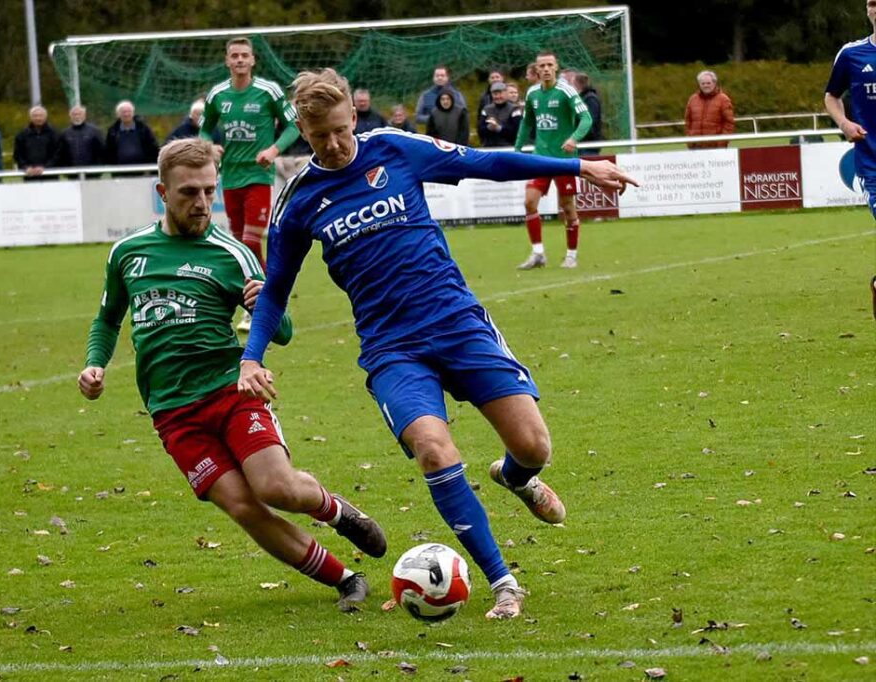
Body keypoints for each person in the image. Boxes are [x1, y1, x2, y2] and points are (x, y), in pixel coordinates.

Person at [237, 68, 636, 620]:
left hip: (457, 323)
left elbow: (488, 163)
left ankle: (515, 477)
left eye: (338, 129)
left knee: (534, 447)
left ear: (353, 115)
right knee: (433, 450)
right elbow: (275, 290)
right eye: (317, 135)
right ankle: (503, 583)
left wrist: (579, 165)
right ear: (301, 131)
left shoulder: (398, 149)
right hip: (391, 350)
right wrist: (252, 356)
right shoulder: (300, 201)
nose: (331, 144)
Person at [78, 137, 387, 611]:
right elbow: (107, 318)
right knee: (244, 506)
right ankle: (346, 579)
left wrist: (262, 303)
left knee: (275, 488)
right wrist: (95, 363)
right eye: (188, 193)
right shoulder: (128, 253)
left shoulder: (232, 253)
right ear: (163, 193)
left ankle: (337, 511)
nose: (201, 203)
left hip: (230, 390)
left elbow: (281, 329)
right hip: (172, 413)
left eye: (208, 191)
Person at [199, 37, 300, 332]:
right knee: (242, 247)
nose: (240, 60)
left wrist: (273, 151)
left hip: (259, 177)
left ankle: (266, 303)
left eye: (245, 55)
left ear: (253, 60)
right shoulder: (218, 95)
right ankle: (262, 302)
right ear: (227, 61)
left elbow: (294, 125)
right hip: (230, 178)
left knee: (251, 242)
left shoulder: (268, 92)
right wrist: (209, 147)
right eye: (235, 56)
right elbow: (204, 129)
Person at [514, 52, 593, 270]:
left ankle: (571, 255)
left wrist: (573, 138)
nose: (546, 69)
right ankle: (538, 253)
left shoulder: (566, 91)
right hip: (540, 157)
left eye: (550, 65)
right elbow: (527, 123)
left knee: (567, 207)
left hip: (564, 160)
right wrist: (518, 149)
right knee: (529, 202)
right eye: (542, 66)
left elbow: (586, 118)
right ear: (537, 70)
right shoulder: (532, 94)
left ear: (556, 67)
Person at [825, 0, 876, 219]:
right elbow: (831, 96)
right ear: (868, 11)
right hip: (871, 163)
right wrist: (844, 123)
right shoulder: (851, 54)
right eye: (872, 4)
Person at [684, 70, 735, 149]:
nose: (705, 85)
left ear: (714, 83)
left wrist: (722, 143)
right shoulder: (692, 99)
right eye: (703, 83)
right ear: (699, 84)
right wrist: (690, 140)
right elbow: (688, 121)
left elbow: (729, 124)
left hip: (716, 147)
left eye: (708, 83)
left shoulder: (724, 99)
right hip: (696, 147)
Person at [105, 100, 159, 165]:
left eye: (129, 111)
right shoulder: (112, 131)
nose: (126, 114)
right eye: (123, 112)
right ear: (118, 114)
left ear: (133, 113)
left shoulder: (144, 129)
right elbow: (108, 151)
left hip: (142, 169)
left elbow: (153, 147)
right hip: (119, 170)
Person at [13, 105, 59, 178]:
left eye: (41, 116)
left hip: (50, 175)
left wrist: (45, 167)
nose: (38, 118)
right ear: (30, 117)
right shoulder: (22, 135)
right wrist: (26, 167)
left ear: (45, 117)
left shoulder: (54, 134)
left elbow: (58, 154)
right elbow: (18, 155)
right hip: (29, 175)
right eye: (35, 116)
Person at [478, 81, 521, 148]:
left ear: (506, 93)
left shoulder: (514, 109)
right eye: (495, 94)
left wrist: (499, 128)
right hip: (489, 147)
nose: (498, 97)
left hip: (509, 147)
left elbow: (517, 131)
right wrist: (489, 128)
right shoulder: (486, 110)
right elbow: (480, 130)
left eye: (500, 93)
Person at [573, 72, 603, 156]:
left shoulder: (590, 99)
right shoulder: (583, 98)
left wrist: (578, 134)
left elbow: (591, 122)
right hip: (583, 144)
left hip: (588, 145)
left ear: (577, 84)